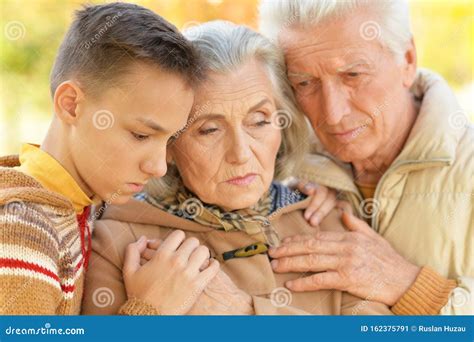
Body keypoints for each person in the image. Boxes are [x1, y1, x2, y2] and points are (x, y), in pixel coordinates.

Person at [82, 21, 391, 316]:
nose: (241, 154)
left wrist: (244, 313)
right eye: (209, 130)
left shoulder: (330, 220)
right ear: (169, 144)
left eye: (259, 121)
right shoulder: (118, 242)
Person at [0, 2, 220, 315]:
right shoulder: (21, 234)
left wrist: (305, 190)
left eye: (169, 139)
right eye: (141, 135)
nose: (158, 166)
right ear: (72, 105)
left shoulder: (85, 199)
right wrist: (152, 310)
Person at [259, 0, 473, 314]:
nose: (332, 113)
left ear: (408, 60)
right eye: (305, 83)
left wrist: (408, 285)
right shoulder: (279, 172)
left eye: (353, 75)